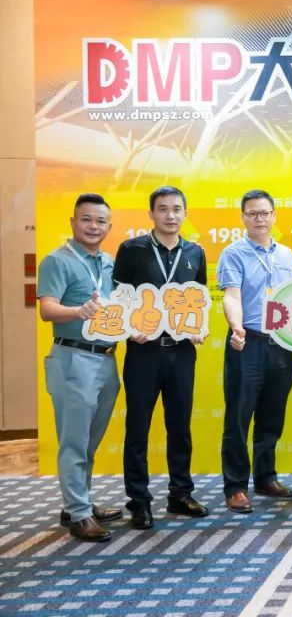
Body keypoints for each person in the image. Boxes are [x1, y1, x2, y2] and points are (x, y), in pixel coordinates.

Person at [112, 186, 210, 529]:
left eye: (177, 209)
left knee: (180, 426)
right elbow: (120, 297)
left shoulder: (195, 252)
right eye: (163, 209)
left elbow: (199, 299)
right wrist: (128, 328)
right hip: (144, 352)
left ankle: (180, 493)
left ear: (185, 213)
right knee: (138, 426)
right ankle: (139, 500)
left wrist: (200, 327)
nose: (170, 215)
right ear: (151, 213)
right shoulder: (131, 249)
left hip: (181, 352)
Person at [37, 193, 122, 541]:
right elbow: (47, 310)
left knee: (89, 440)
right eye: (86, 219)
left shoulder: (109, 262)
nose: (93, 226)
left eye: (101, 221)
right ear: (73, 222)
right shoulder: (56, 260)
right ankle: (80, 515)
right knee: (73, 440)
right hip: (73, 358)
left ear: (109, 226)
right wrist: (77, 311)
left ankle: (76, 503)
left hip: (106, 359)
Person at [217, 189, 292, 514]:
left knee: (272, 414)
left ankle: (266, 477)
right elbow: (231, 295)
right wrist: (236, 326)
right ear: (243, 218)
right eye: (252, 213)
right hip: (247, 341)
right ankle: (236, 486)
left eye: (264, 213)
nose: (259, 219)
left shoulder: (287, 255)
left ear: (274, 215)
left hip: (282, 345)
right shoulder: (233, 253)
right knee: (238, 416)